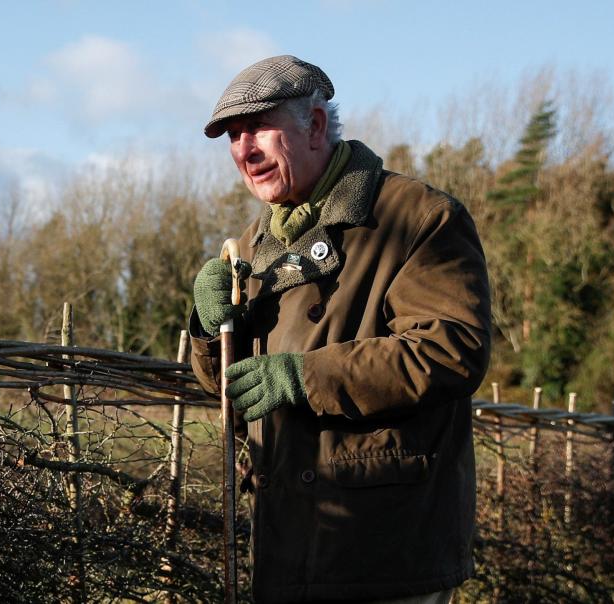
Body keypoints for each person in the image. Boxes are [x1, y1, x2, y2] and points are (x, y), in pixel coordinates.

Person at [189, 55, 492, 603]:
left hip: (382, 547)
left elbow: (451, 349)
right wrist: (212, 332)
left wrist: (305, 377)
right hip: (286, 544)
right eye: (233, 136)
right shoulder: (255, 244)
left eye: (258, 127)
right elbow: (234, 391)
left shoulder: (415, 217)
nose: (243, 149)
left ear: (316, 126)